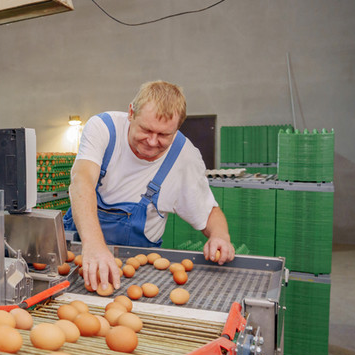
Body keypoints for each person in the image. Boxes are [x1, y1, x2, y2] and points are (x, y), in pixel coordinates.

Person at [63, 80, 235, 291]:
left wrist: (220, 236)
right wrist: (95, 245)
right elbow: (81, 182)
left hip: (135, 275)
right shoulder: (104, 129)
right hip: (78, 261)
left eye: (164, 135)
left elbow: (208, 212)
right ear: (131, 113)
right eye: (146, 130)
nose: (153, 141)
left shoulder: (185, 158)